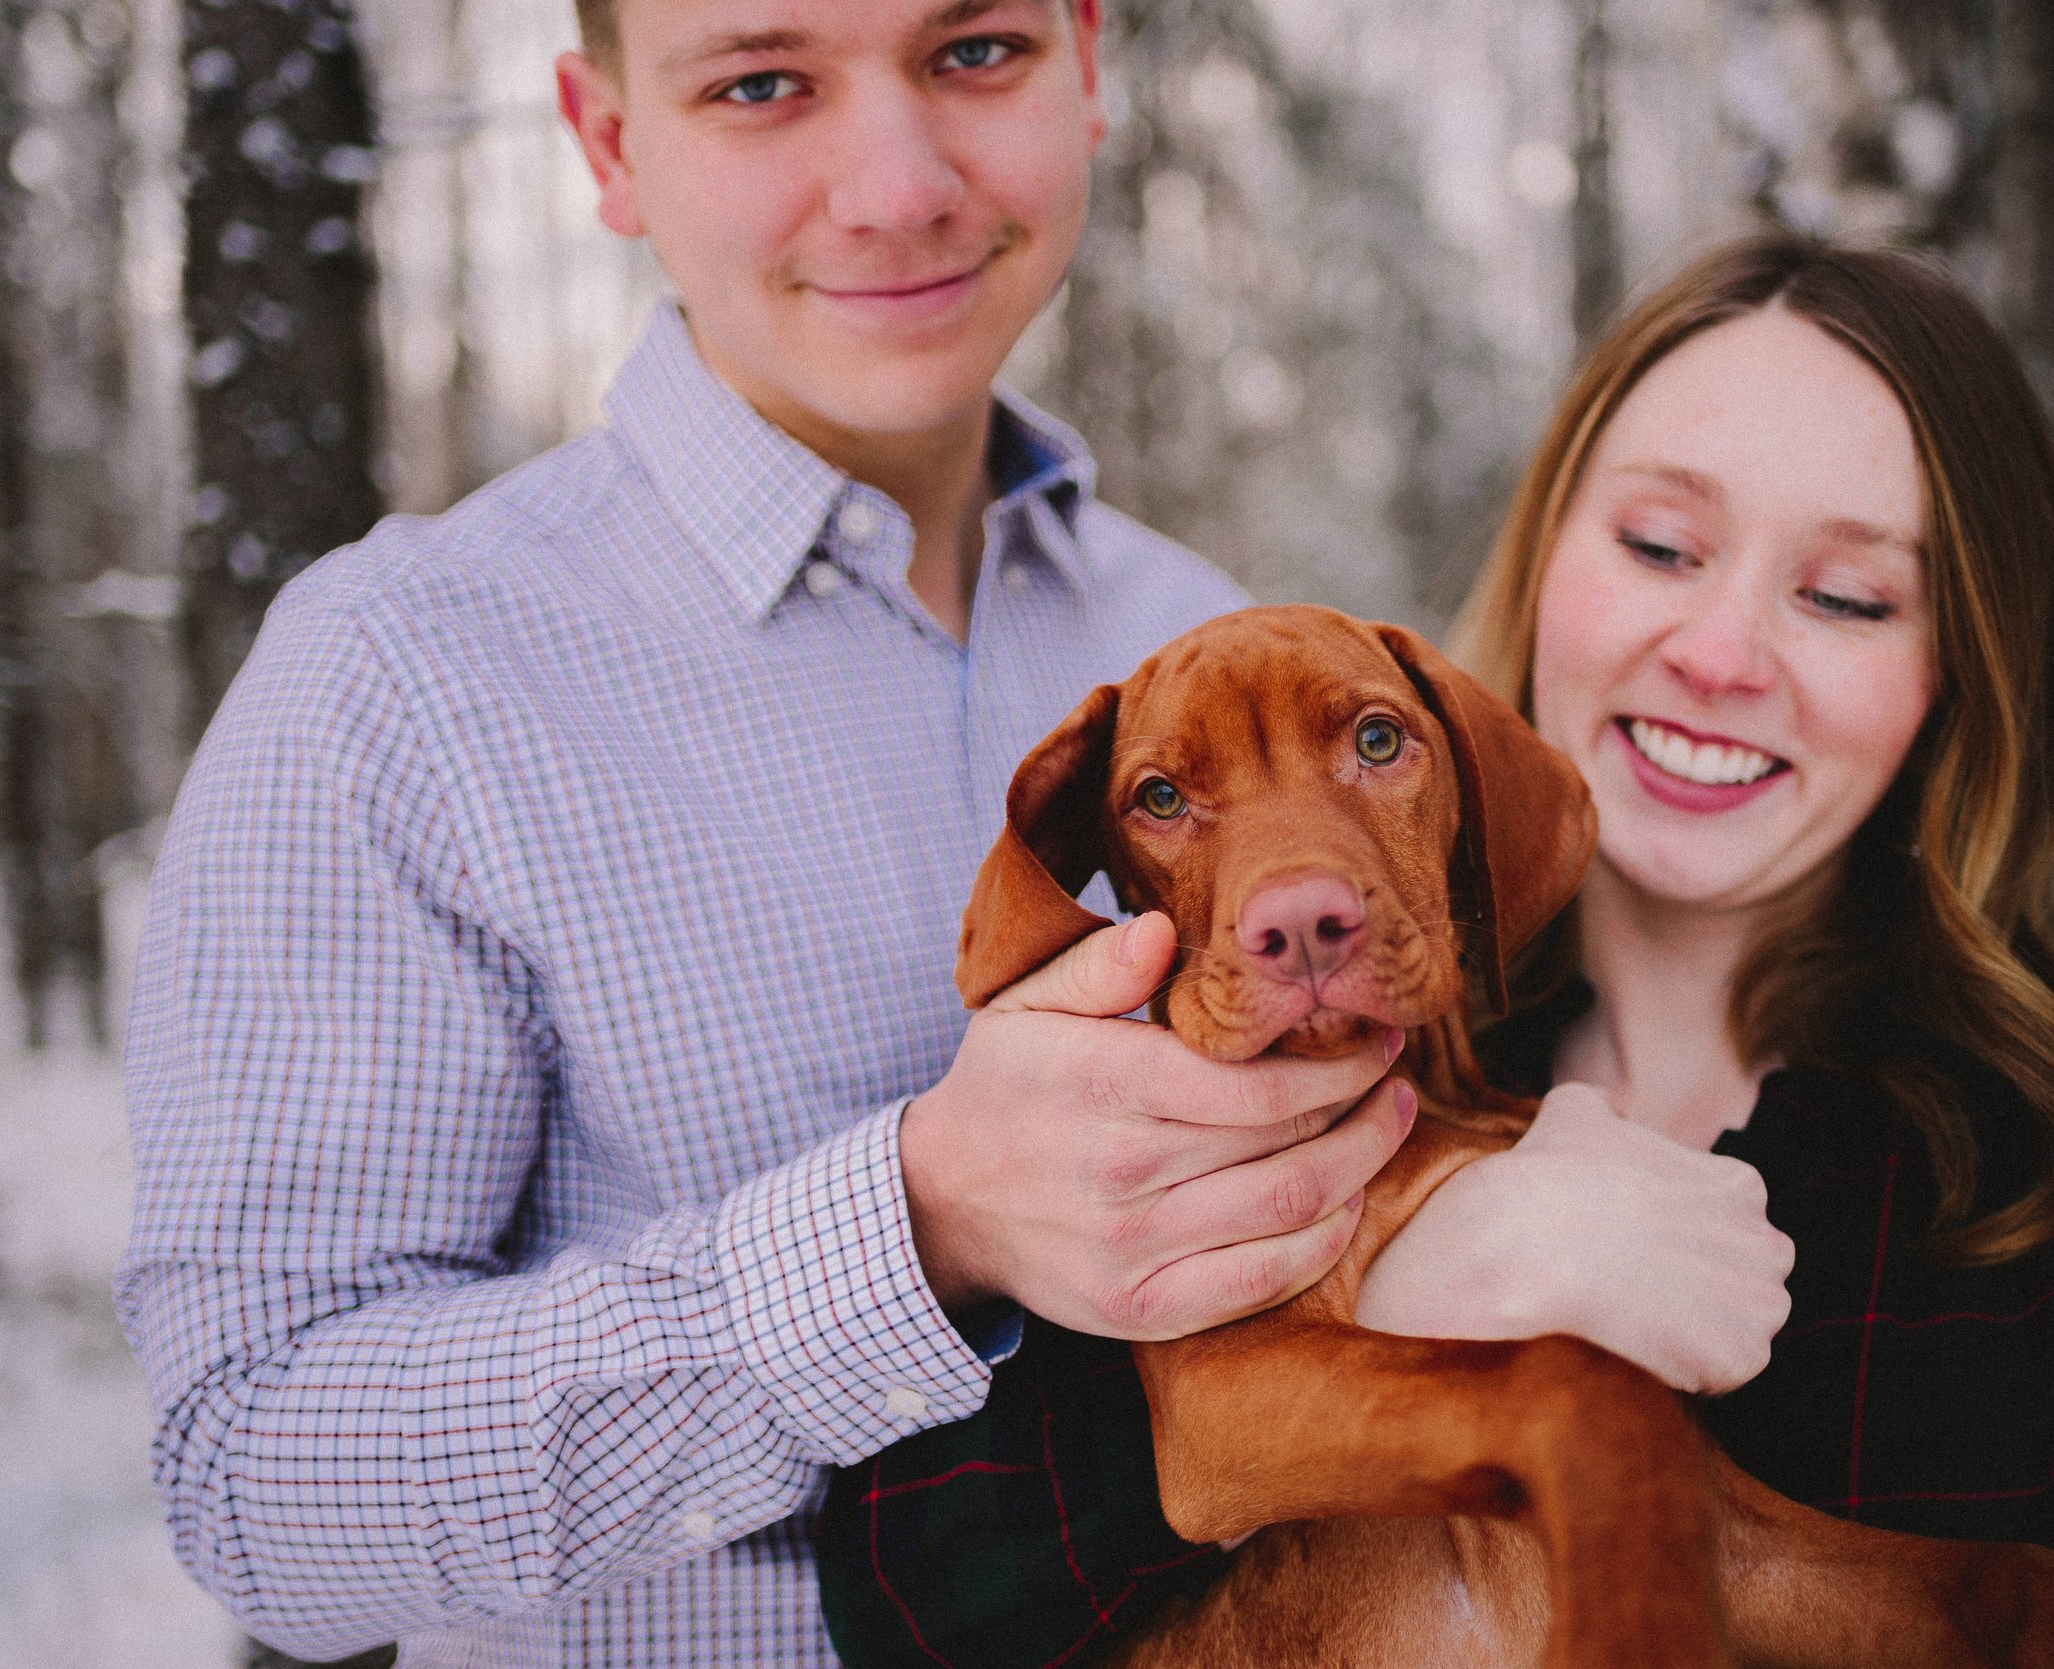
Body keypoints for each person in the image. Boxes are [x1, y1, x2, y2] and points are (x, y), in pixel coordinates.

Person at [112, 3, 1441, 1663]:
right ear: (609, 143)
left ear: (1087, 62)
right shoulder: (405, 677)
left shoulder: (1199, 631)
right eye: (760, 83)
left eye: (975, 54)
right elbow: (255, 1487)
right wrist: (920, 1224)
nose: (897, 188)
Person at [815, 234, 2054, 1669]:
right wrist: (1420, 1284)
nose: (1721, 654)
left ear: (1960, 664)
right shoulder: (1276, 1086)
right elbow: (899, 1586)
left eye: (1846, 594)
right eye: (1661, 544)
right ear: (1550, 556)